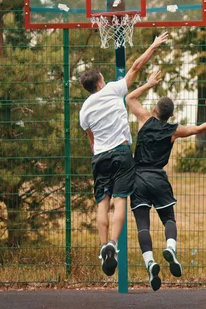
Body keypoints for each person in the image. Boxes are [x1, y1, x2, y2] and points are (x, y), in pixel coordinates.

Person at [125, 70, 206, 290]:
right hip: (158, 179)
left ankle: (150, 263)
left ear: (155, 110)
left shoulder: (144, 120)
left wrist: (150, 83)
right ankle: (171, 249)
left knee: (142, 226)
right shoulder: (174, 130)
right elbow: (199, 128)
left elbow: (129, 98)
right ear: (170, 116)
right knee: (169, 220)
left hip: (138, 178)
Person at [79, 32, 169, 276]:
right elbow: (137, 66)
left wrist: (99, 155)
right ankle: (113, 245)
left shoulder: (84, 110)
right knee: (120, 201)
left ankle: (102, 246)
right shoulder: (113, 89)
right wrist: (153, 44)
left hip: (100, 156)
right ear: (100, 82)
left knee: (102, 202)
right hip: (121, 153)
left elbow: (92, 140)